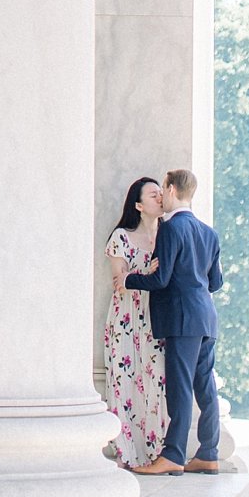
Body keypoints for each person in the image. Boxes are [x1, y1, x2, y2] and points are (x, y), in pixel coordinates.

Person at [114, 167, 223, 476]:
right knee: (205, 387)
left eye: (163, 189)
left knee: (179, 388)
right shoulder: (209, 232)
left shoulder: (170, 228)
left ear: (173, 189)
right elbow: (215, 282)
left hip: (181, 319)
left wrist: (129, 279)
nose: (162, 195)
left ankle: (173, 455)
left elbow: (161, 279)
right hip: (206, 317)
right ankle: (208, 453)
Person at [103, 176, 168, 468]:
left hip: (157, 318)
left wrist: (144, 275)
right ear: (139, 205)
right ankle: (127, 451)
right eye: (153, 195)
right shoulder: (122, 237)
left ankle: (157, 450)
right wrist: (148, 272)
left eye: (161, 193)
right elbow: (120, 283)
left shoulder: (169, 235)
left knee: (156, 381)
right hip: (127, 318)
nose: (160, 198)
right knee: (126, 380)